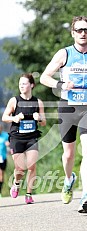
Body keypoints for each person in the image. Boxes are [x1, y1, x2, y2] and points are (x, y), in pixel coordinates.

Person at [40, 16, 87, 213]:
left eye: (86, 30)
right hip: (67, 107)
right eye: (78, 30)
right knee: (68, 154)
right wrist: (61, 85)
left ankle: (86, 195)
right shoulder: (64, 54)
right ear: (72, 33)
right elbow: (45, 77)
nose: (83, 33)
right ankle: (69, 179)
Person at [2, 73, 46, 204]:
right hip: (17, 138)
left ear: (31, 85)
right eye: (20, 84)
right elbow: (4, 117)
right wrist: (14, 118)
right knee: (20, 169)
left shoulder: (38, 102)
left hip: (32, 137)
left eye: (24, 83)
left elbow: (44, 122)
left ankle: (28, 194)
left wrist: (40, 118)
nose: (21, 86)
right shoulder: (14, 101)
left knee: (32, 166)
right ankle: (16, 183)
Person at [0, 123, 9, 197]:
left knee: (1, 175)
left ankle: (0, 191)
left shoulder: (5, 135)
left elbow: (9, 143)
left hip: (2, 158)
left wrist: (8, 144)